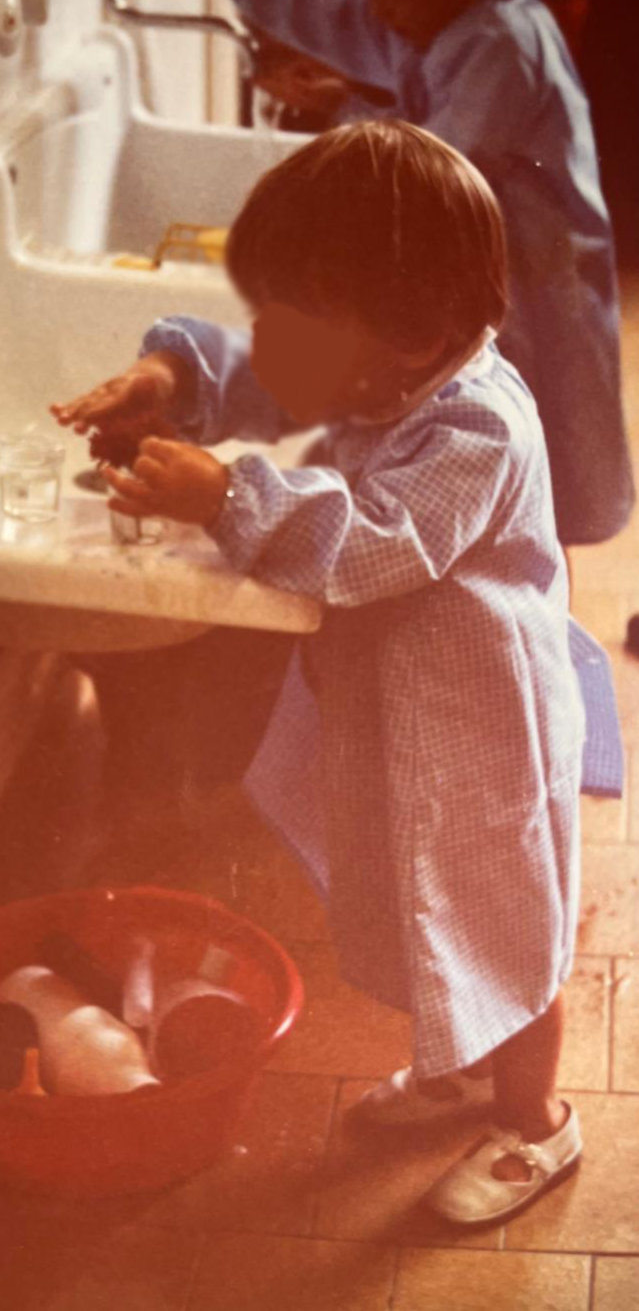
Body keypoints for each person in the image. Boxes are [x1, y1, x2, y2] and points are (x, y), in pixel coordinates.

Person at [53, 120, 587, 1225]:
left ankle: (537, 1121)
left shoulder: (477, 423)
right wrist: (172, 374)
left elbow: (381, 538)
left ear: (412, 328)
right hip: (410, 714)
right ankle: (457, 1060)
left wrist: (226, 495)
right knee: (424, 895)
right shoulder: (387, 369)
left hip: (488, 728)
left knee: (509, 918)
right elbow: (270, 378)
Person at [148, 0, 634, 548]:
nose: (377, 7)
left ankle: (526, 610)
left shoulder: (500, 40)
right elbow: (336, 7)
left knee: (533, 472)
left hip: (538, 297)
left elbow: (429, 173)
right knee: (490, 476)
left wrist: (345, 118)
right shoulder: (439, 17)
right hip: (492, 288)